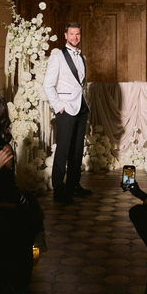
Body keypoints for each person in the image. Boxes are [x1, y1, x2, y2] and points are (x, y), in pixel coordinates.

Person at [43, 22, 92, 204]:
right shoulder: (57, 57)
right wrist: (59, 106)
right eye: (72, 34)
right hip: (65, 109)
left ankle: (73, 185)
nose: (75, 37)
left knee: (77, 149)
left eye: (77, 34)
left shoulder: (82, 57)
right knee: (63, 150)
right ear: (65, 35)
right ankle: (58, 189)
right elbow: (47, 85)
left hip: (81, 108)